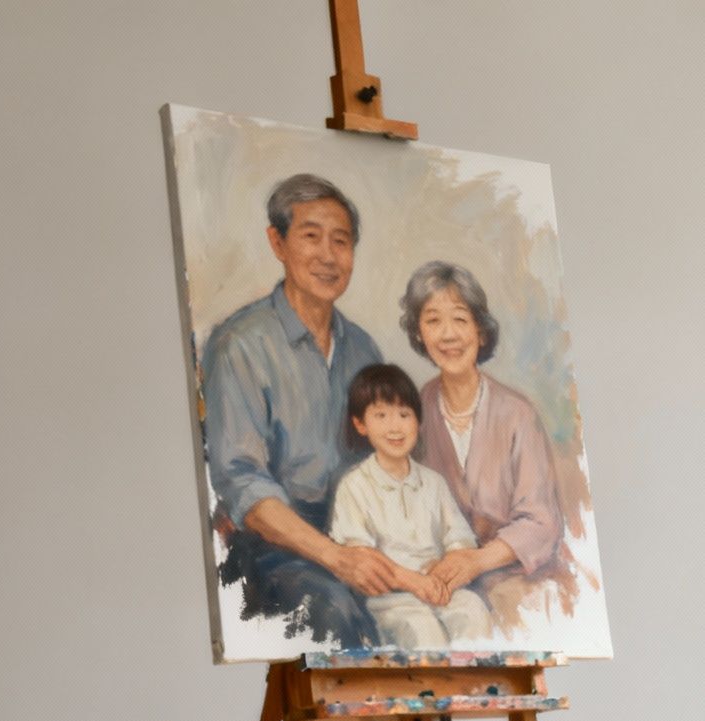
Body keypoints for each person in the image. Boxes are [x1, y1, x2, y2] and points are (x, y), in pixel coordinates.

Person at [201, 173, 398, 646]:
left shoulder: (363, 350)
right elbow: (243, 485)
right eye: (311, 237)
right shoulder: (239, 345)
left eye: (342, 241)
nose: (329, 256)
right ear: (278, 242)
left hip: (355, 535)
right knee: (338, 613)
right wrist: (335, 556)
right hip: (272, 543)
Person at [396, 262, 567, 615]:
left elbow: (542, 523)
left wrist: (477, 562)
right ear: (419, 335)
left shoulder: (517, 413)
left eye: (460, 319)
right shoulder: (412, 413)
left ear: (481, 331)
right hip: (440, 585)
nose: (448, 335)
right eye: (432, 321)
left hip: (517, 581)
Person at [328, 365, 492, 649]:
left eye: (404, 414)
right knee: (421, 629)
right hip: (389, 598)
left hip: (440, 588)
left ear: (418, 421)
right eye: (381, 415)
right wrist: (414, 582)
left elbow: (460, 541)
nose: (395, 427)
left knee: (473, 611)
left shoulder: (433, 483)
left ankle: (478, 691)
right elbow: (360, 557)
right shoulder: (355, 486)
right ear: (360, 424)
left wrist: (443, 571)